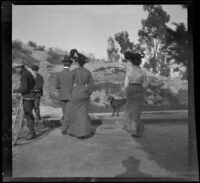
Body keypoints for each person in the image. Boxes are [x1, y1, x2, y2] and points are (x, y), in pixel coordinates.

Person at [63, 49, 94, 139]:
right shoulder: (88, 72)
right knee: (83, 114)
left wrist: (70, 92)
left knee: (74, 113)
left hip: (75, 93)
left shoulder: (74, 71)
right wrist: (88, 92)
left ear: (77, 62)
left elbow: (69, 84)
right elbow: (91, 85)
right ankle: (82, 132)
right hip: (84, 93)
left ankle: (73, 131)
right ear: (84, 63)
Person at [122, 51, 148, 137]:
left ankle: (137, 130)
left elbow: (126, 85)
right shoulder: (143, 72)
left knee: (130, 109)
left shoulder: (129, 71)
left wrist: (127, 91)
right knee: (137, 111)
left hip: (130, 89)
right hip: (139, 89)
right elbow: (145, 85)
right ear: (140, 62)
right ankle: (135, 130)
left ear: (132, 61)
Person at [12, 60, 36, 139]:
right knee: (27, 115)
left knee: (28, 115)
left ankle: (31, 133)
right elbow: (25, 86)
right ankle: (30, 132)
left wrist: (15, 90)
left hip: (28, 97)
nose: (16, 69)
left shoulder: (24, 74)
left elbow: (25, 88)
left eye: (16, 68)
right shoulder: (25, 73)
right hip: (29, 96)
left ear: (21, 67)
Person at [55, 55, 73, 132]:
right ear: (70, 64)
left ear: (64, 64)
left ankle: (65, 128)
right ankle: (67, 128)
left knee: (65, 113)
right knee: (69, 113)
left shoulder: (59, 74)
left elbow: (57, 86)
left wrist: (62, 88)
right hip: (70, 96)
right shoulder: (72, 74)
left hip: (62, 96)